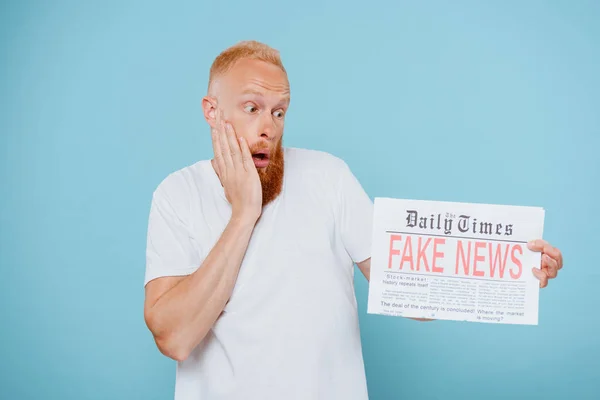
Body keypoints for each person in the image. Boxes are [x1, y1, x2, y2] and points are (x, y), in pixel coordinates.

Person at [143, 40, 564, 400]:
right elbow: (174, 338)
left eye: (279, 111)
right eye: (252, 107)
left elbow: (409, 284)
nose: (268, 127)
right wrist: (244, 214)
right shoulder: (177, 195)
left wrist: (513, 272)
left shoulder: (329, 177)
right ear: (211, 111)